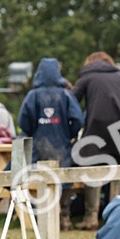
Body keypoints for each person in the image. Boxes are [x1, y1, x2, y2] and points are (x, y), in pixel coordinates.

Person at [73, 51, 120, 229]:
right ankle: (115, 217)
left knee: (93, 171)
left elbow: (72, 101)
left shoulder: (87, 78)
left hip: (97, 129)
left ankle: (91, 218)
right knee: (118, 172)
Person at [17, 58, 85, 229]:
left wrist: (33, 131)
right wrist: (69, 134)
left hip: (38, 146)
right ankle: (64, 217)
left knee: (39, 180)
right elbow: (77, 119)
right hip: (61, 146)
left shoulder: (32, 96)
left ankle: (42, 218)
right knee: (64, 181)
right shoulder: (66, 95)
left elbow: (23, 121)